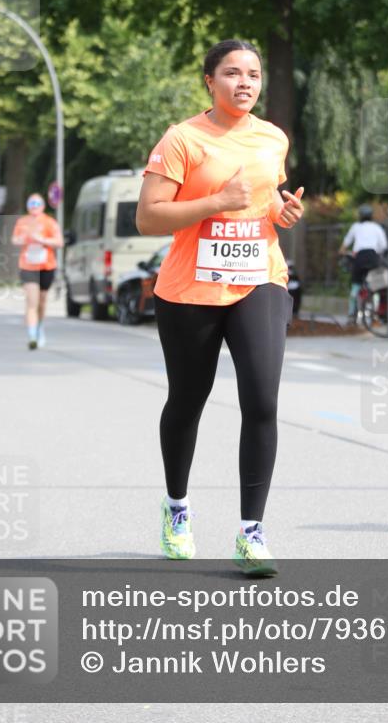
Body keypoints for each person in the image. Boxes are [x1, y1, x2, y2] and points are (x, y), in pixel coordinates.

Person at [136, 39, 304, 577]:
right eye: (232, 73)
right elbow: (149, 218)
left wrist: (284, 213)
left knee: (262, 400)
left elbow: (266, 200)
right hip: (190, 290)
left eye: (253, 74)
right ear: (210, 80)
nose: (245, 83)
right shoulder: (182, 139)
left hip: (260, 279)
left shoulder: (272, 138)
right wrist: (215, 203)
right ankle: (177, 510)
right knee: (188, 399)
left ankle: (252, 533)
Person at [11, 193, 63, 349]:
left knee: (42, 301)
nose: (34, 208)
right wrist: (24, 239)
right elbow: (15, 240)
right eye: (31, 204)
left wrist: (42, 240)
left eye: (37, 204)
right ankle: (32, 335)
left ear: (42, 206)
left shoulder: (49, 222)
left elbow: (59, 242)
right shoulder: (22, 222)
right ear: (28, 206)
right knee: (31, 301)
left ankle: (40, 327)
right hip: (28, 266)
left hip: (46, 266)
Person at [339, 204, 388, 322]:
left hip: (359, 258)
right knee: (375, 287)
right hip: (373, 257)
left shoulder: (356, 227)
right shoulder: (377, 228)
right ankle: (375, 315)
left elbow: (345, 244)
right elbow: (384, 246)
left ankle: (351, 314)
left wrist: (342, 252)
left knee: (355, 285)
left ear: (360, 216)